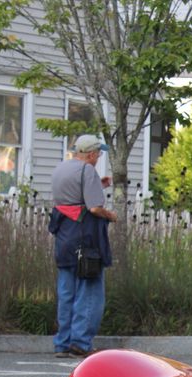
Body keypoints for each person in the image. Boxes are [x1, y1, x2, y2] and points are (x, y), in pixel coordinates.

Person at [48, 134, 116, 358]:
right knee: (89, 291)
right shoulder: (87, 171)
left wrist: (99, 184)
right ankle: (81, 342)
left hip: (64, 238)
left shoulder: (61, 168)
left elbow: (71, 200)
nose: (98, 158)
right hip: (85, 239)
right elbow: (94, 207)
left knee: (66, 291)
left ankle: (62, 342)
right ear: (91, 154)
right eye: (98, 153)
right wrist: (110, 215)